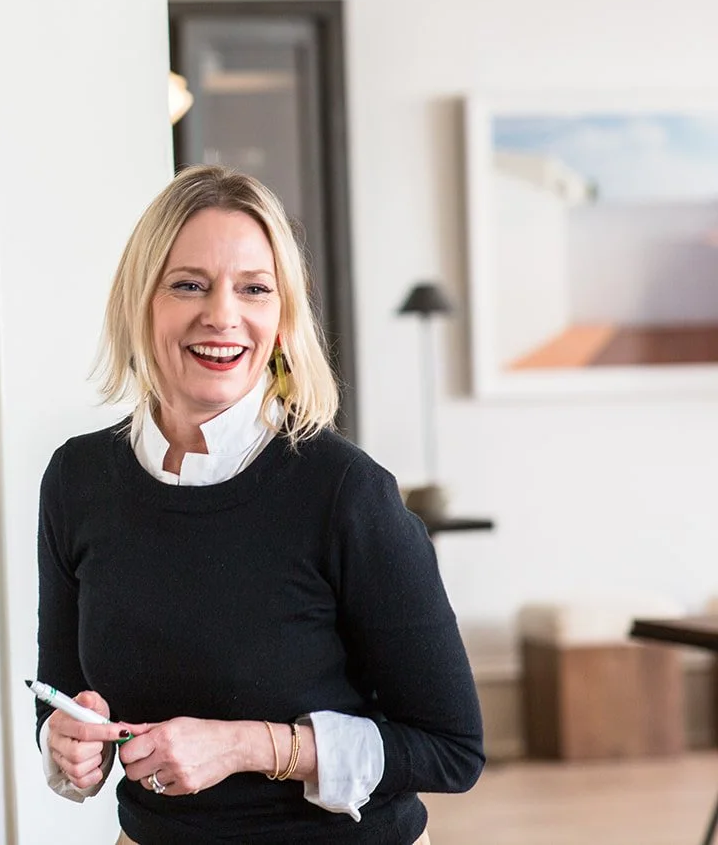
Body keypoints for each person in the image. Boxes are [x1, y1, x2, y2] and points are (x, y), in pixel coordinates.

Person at [34, 165, 483, 844]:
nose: (222, 314)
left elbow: (452, 749)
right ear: (140, 301)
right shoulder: (77, 479)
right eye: (189, 284)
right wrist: (65, 741)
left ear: (282, 320)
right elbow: (63, 693)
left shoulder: (344, 491)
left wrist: (249, 745)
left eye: (254, 288)